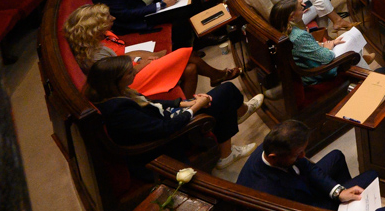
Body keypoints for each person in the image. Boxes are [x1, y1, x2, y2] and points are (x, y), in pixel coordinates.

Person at [86, 55, 259, 172]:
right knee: (226, 92)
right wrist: (195, 108)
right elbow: (165, 129)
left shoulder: (115, 92)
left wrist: (185, 102)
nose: (135, 72)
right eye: (129, 73)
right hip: (173, 138)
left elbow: (150, 102)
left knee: (222, 95)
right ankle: (226, 154)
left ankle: (241, 111)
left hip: (170, 117)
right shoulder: (119, 111)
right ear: (115, 81)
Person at [64, 3, 234, 99]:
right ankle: (216, 75)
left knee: (191, 68)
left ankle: (189, 104)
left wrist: (150, 57)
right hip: (128, 84)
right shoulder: (95, 54)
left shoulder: (100, 37)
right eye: (108, 18)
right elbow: (118, 76)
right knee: (187, 53)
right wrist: (146, 62)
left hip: (129, 69)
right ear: (95, 27)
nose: (113, 18)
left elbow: (122, 55)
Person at [237, 118, 377, 209]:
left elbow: (307, 167)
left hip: (303, 188)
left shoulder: (273, 145)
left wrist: (338, 192)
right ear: (273, 157)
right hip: (307, 207)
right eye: (298, 154)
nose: (303, 156)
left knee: (336, 157)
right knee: (371, 175)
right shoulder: (267, 192)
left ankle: (349, 208)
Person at [269, 0, 343, 84]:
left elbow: (304, 48)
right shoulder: (299, 36)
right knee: (351, 51)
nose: (303, 9)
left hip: (299, 70)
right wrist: (329, 48)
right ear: (292, 17)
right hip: (315, 75)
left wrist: (324, 44)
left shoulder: (278, 29)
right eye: (300, 9)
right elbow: (327, 57)